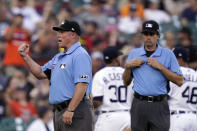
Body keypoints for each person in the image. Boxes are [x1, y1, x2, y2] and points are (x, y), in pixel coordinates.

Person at [18, 20, 93, 131]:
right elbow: (40, 73)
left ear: (73, 35)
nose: (58, 35)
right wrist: (25, 57)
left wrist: (71, 110)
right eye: (58, 32)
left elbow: (82, 84)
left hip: (76, 110)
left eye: (62, 32)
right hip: (60, 111)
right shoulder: (59, 57)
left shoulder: (80, 54)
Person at [123, 20, 184, 131]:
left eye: (151, 34)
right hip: (139, 103)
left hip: (159, 104)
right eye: (146, 34)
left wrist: (161, 67)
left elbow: (180, 81)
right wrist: (128, 67)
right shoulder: (134, 53)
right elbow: (125, 82)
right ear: (142, 36)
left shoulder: (168, 54)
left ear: (158, 36)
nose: (148, 37)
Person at [92, 46, 133, 131]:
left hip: (107, 117)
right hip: (126, 116)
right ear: (116, 59)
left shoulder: (100, 74)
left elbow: (97, 102)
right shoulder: (126, 74)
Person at [169, 47, 197, 131]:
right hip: (194, 119)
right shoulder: (195, 74)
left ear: (180, 59)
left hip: (178, 118)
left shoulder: (173, 74)